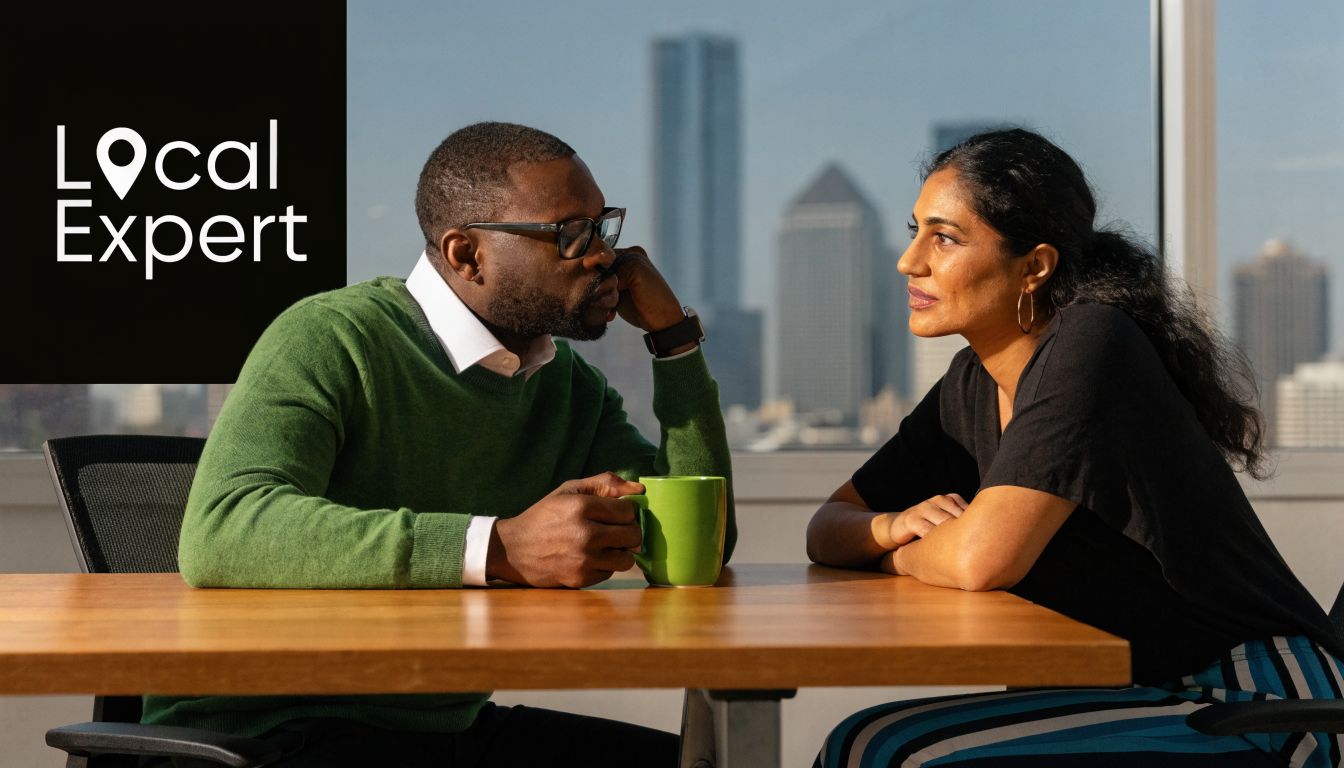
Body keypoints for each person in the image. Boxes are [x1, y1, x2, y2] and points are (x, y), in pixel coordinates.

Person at [142, 121, 736, 767]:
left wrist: (674, 341)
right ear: (466, 254)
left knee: (715, 764)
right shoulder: (332, 336)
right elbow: (225, 530)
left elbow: (696, 548)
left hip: (438, 728)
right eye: (568, 233)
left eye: (601, 227)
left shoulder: (566, 384)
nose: (601, 256)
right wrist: (499, 545)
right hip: (266, 736)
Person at [806, 127, 1344, 768]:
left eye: (944, 238)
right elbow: (827, 527)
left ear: (1034, 266)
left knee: (883, 751)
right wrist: (895, 525)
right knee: (866, 743)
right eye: (915, 230)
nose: (909, 259)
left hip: (1260, 707)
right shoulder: (969, 383)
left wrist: (893, 553)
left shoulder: (1092, 344)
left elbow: (981, 561)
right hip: (1135, 695)